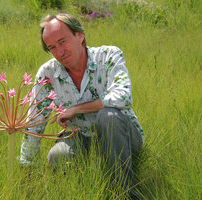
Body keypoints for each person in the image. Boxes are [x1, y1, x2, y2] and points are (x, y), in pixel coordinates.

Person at [20, 13, 144, 197]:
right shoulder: (48, 73)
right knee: (57, 156)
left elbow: (123, 97)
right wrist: (27, 164)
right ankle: (83, 189)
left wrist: (76, 109)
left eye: (62, 42)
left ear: (80, 35)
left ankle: (123, 193)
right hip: (80, 136)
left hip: (122, 136)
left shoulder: (109, 56)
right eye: (52, 47)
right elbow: (36, 119)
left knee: (109, 116)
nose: (59, 52)